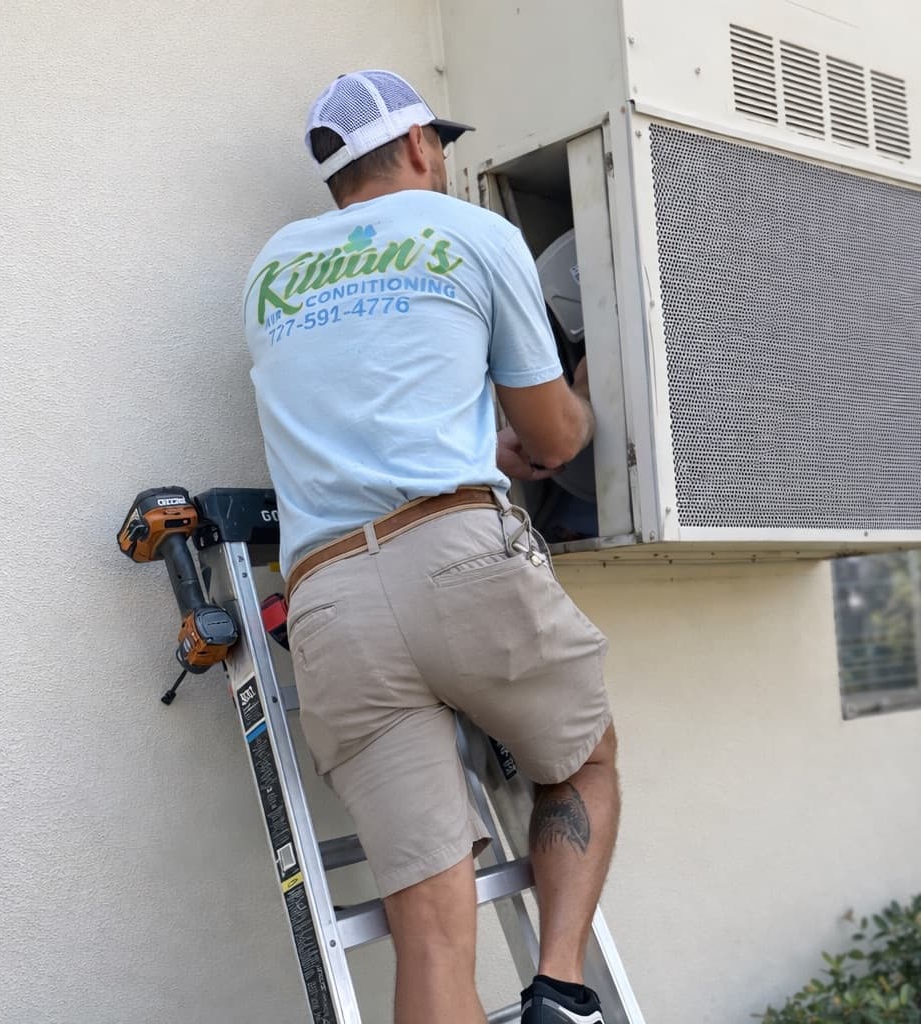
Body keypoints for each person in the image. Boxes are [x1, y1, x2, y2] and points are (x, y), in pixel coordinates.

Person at [241, 69, 621, 1024]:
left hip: (327, 598)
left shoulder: (271, 270)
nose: (445, 160)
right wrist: (565, 404)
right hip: (458, 561)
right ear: (417, 145)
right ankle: (561, 990)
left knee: (431, 924)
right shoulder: (475, 234)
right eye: (440, 144)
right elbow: (560, 439)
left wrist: (468, 444)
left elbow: (372, 407)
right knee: (583, 763)